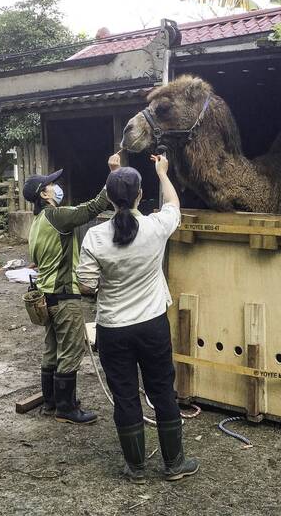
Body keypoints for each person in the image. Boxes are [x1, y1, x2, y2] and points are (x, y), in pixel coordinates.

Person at [76, 155, 199, 483]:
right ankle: (174, 465)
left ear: (110, 197)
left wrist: (114, 174)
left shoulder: (95, 237)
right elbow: (174, 203)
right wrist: (162, 173)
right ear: (140, 196)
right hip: (153, 326)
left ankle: (136, 468)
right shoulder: (156, 226)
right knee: (161, 391)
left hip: (114, 329)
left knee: (125, 395)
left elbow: (86, 285)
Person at [23, 154, 119, 424]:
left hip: (46, 296)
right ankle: (67, 407)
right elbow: (93, 208)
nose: (57, 186)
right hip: (65, 296)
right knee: (72, 349)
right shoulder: (57, 216)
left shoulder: (37, 223)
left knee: (52, 348)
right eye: (52, 184)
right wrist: (113, 174)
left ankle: (51, 402)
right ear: (44, 194)